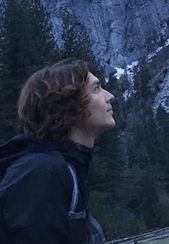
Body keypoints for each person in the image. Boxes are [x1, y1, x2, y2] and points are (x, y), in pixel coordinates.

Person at [0, 58, 115, 244]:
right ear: (68, 104)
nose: (109, 96)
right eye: (96, 88)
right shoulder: (41, 172)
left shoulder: (63, 167)